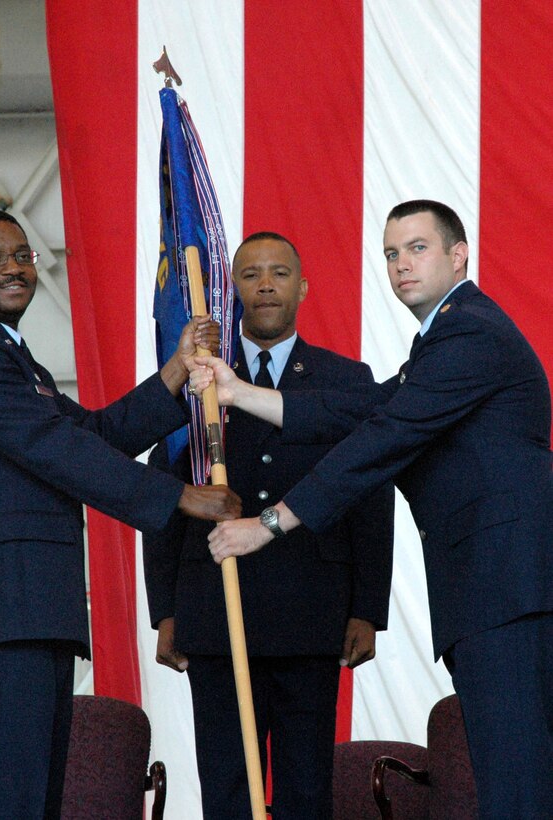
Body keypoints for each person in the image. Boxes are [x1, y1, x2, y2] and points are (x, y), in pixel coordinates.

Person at [195, 201, 553, 819]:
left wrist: (270, 523)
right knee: (512, 771)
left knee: (517, 776)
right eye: (391, 253)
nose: (401, 265)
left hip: (508, 586)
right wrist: (239, 393)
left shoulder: (469, 331)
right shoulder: (443, 339)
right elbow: (362, 411)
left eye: (418, 248)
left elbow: (381, 438)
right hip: (494, 588)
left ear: (459, 254)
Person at [0, 208, 241, 819]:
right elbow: (54, 447)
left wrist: (174, 370)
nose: (13, 267)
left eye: (22, 255)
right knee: (2, 804)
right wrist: (176, 496)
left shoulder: (10, 356)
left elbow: (92, 432)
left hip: (29, 612)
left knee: (32, 803)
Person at [143, 232, 394, 819]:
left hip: (312, 611)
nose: (264, 285)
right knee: (227, 787)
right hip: (212, 611)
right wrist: (166, 611)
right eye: (250, 274)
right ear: (232, 291)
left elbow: (369, 497)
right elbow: (163, 498)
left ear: (302, 287)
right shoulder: (197, 378)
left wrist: (367, 608)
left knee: (307, 789)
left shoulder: (346, 380)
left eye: (279, 273)